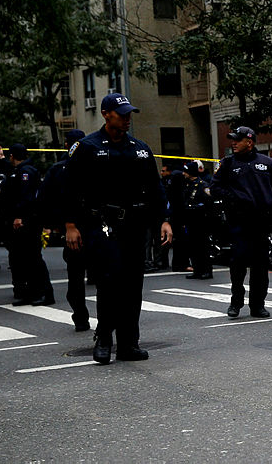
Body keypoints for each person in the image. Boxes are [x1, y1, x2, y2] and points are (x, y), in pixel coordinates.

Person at [64, 93, 172, 364]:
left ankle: (128, 344)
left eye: (128, 113)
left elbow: (156, 188)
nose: (126, 118)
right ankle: (103, 339)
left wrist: (164, 220)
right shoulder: (87, 147)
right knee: (110, 283)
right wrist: (70, 225)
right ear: (105, 114)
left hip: (135, 224)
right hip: (102, 224)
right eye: (121, 113)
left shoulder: (140, 148)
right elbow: (69, 190)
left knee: (133, 285)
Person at [210, 126, 272, 319]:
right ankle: (236, 300)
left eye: (237, 139)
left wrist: (269, 203)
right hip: (239, 222)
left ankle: (258, 305)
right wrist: (234, 199)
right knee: (238, 263)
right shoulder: (227, 164)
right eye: (232, 139)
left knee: (260, 265)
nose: (233, 142)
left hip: (261, 222)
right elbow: (215, 187)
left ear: (249, 142)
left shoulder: (266, 163)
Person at [38, 129, 91, 331]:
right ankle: (82, 317)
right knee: (83, 278)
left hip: (78, 229)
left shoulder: (60, 169)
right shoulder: (62, 169)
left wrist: (53, 225)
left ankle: (82, 317)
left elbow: (44, 200)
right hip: (80, 229)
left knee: (77, 278)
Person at [0, 143, 55, 305]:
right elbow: (12, 175)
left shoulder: (26, 172)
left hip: (29, 223)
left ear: (13, 156)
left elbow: (27, 198)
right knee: (23, 260)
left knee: (33, 259)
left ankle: (45, 294)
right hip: (21, 223)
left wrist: (19, 216)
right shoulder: (20, 170)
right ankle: (30, 293)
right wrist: (1, 158)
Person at [181, 161, 213, 280]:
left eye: (186, 171)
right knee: (193, 247)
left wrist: (196, 208)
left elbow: (208, 203)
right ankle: (197, 270)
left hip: (201, 221)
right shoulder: (187, 185)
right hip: (190, 221)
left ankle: (207, 271)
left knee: (203, 247)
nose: (184, 174)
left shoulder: (203, 185)